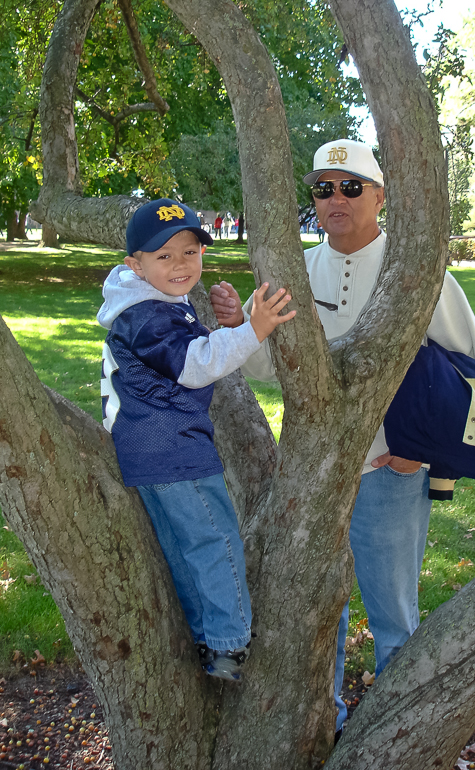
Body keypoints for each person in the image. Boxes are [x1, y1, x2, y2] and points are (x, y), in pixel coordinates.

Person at [209, 139, 475, 731]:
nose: (335, 199)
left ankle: (395, 731)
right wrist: (242, 329)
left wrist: (427, 456)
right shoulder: (299, 268)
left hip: (390, 470)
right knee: (314, 612)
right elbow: (269, 369)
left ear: (380, 196)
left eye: (351, 187)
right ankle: (326, 723)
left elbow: (474, 363)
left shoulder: (413, 269)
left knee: (393, 617)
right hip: (311, 475)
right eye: (323, 188)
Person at [97, 198, 295, 681]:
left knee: (185, 544)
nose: (181, 265)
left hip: (145, 446)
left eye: (190, 252)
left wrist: (227, 324)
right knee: (214, 538)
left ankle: (206, 637)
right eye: (163, 257)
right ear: (135, 266)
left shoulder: (145, 303)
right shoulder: (145, 314)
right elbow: (194, 364)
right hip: (174, 445)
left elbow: (180, 351)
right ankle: (230, 642)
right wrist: (255, 329)